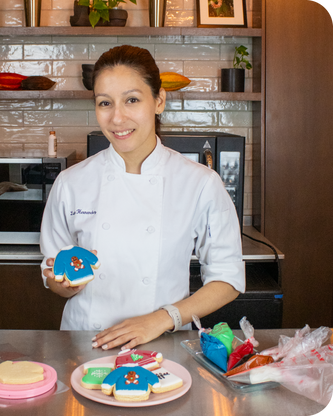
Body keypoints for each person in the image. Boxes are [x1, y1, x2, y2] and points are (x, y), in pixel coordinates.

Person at [40, 45, 245, 351]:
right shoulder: (71, 182)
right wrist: (63, 283)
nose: (117, 118)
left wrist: (161, 318)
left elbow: (227, 279)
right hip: (86, 343)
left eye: (132, 100)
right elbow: (55, 275)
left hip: (164, 345)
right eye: (104, 103)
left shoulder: (200, 183)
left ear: (158, 100)